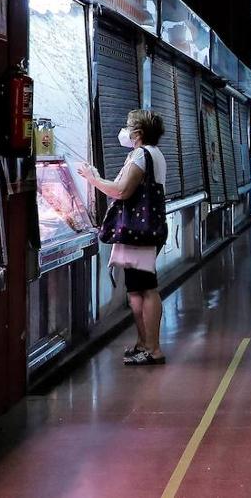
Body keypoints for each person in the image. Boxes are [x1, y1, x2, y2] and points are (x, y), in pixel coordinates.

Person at [78, 109, 167, 366]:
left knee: (146, 288)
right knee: (136, 289)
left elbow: (122, 191)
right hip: (143, 230)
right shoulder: (152, 154)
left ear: (138, 133)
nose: (124, 131)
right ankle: (144, 344)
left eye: (128, 126)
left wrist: (92, 178)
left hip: (139, 231)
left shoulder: (142, 154)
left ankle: (153, 349)